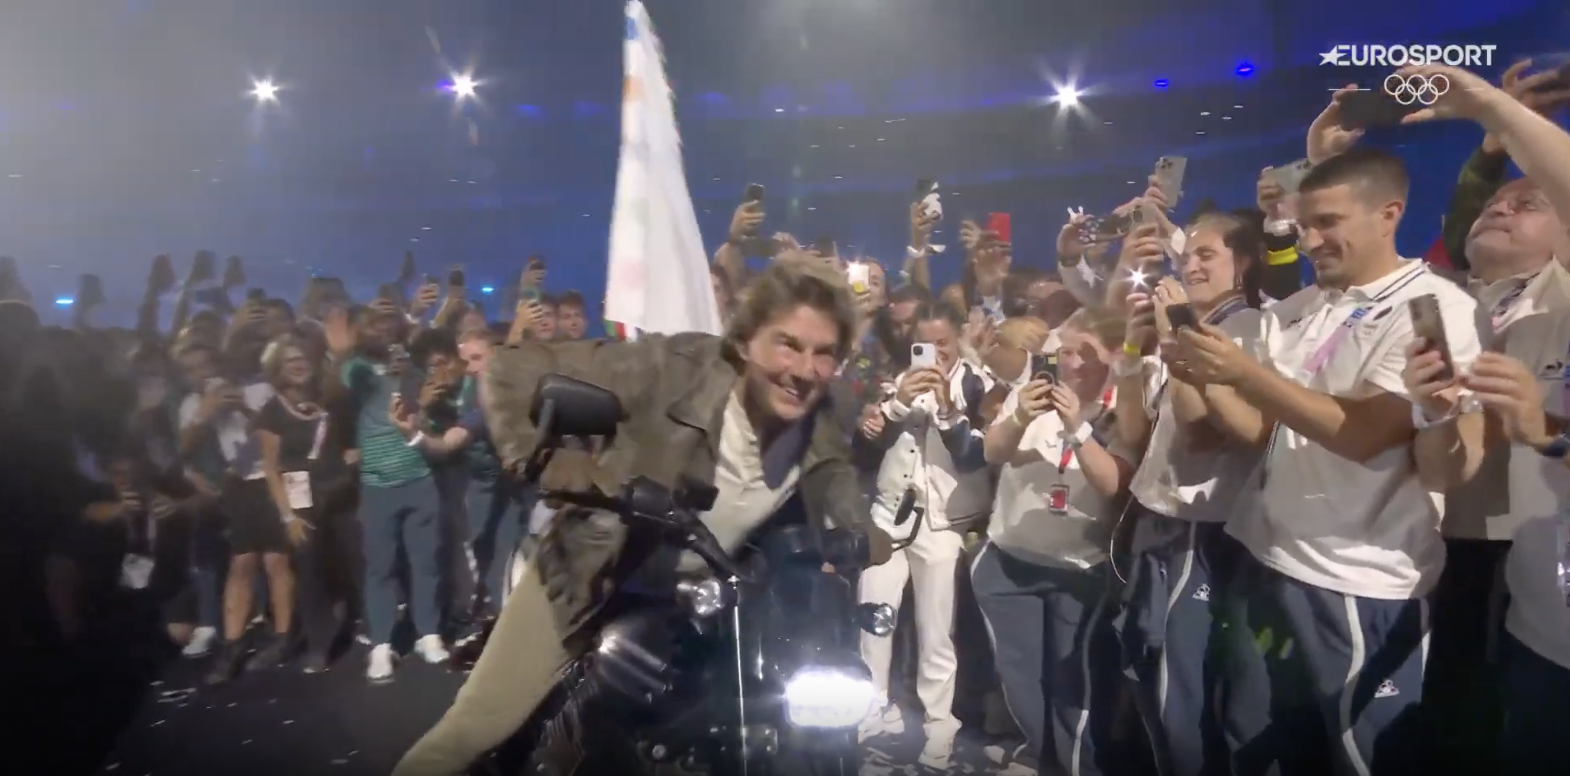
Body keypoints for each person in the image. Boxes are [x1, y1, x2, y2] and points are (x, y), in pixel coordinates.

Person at [393, 261, 895, 776]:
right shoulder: (674, 366)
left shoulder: (822, 411)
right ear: (745, 342)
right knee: (473, 730)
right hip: (596, 574)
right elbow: (508, 371)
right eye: (787, 344)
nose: (804, 368)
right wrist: (546, 459)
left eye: (823, 353)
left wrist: (862, 531)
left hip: (707, 602)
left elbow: (833, 476)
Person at [1171, 144, 1483, 774]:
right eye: (1304, 225)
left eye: (1328, 223)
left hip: (1357, 582)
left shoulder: (1436, 308)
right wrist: (1202, 371)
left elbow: (1366, 433)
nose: (1310, 240)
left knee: (1357, 756)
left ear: (1388, 213)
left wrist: (1245, 375)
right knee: (1260, 746)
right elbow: (1262, 430)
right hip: (1267, 559)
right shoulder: (1307, 308)